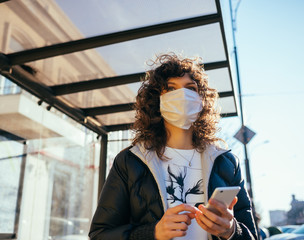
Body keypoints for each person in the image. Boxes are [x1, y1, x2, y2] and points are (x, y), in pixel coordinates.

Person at [89, 53, 258, 240]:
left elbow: (252, 236)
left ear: (202, 101)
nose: (182, 95)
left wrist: (232, 230)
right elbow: (100, 235)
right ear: (156, 101)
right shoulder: (130, 161)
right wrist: (152, 233)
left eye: (190, 88)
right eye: (171, 89)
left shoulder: (226, 162)